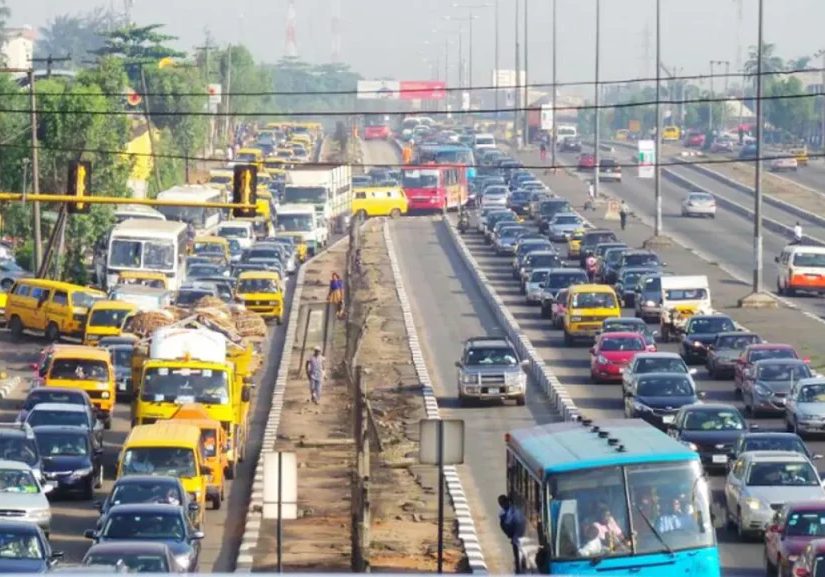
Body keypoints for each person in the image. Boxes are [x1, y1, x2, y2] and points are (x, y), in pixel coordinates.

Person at [498, 494, 527, 574]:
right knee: (518, 549)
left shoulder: (512, 512)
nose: (501, 505)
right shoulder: (506, 512)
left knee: (517, 549)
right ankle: (519, 565)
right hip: (516, 532)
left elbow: (509, 523)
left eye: (502, 503)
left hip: (518, 531)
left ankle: (519, 567)